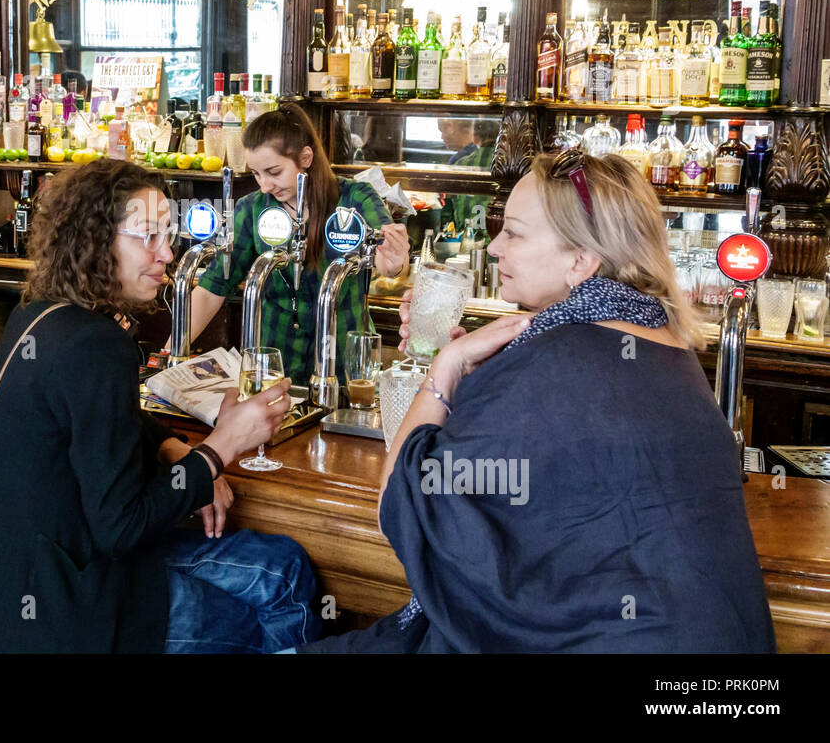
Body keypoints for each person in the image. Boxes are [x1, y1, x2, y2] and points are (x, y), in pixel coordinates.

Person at [300, 151, 776, 652]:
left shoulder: (549, 359)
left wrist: (444, 372)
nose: (495, 246)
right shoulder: (663, 341)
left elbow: (400, 505)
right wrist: (485, 380)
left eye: (515, 232)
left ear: (582, 259)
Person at [0, 159, 322, 653]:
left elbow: (101, 416)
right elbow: (121, 527)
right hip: (69, 617)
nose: (167, 252)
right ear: (96, 240)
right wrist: (220, 447)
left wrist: (169, 446)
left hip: (7, 591)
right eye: (147, 235)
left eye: (167, 232)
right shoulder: (97, 345)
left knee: (283, 567)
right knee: (270, 600)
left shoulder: (39, 316)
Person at [186, 103, 410, 386]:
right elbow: (213, 288)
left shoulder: (355, 198)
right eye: (256, 174)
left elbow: (387, 259)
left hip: (343, 370)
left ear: (305, 157)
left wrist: (394, 263)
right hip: (273, 370)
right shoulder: (253, 208)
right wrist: (170, 354)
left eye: (274, 171)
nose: (265, 185)